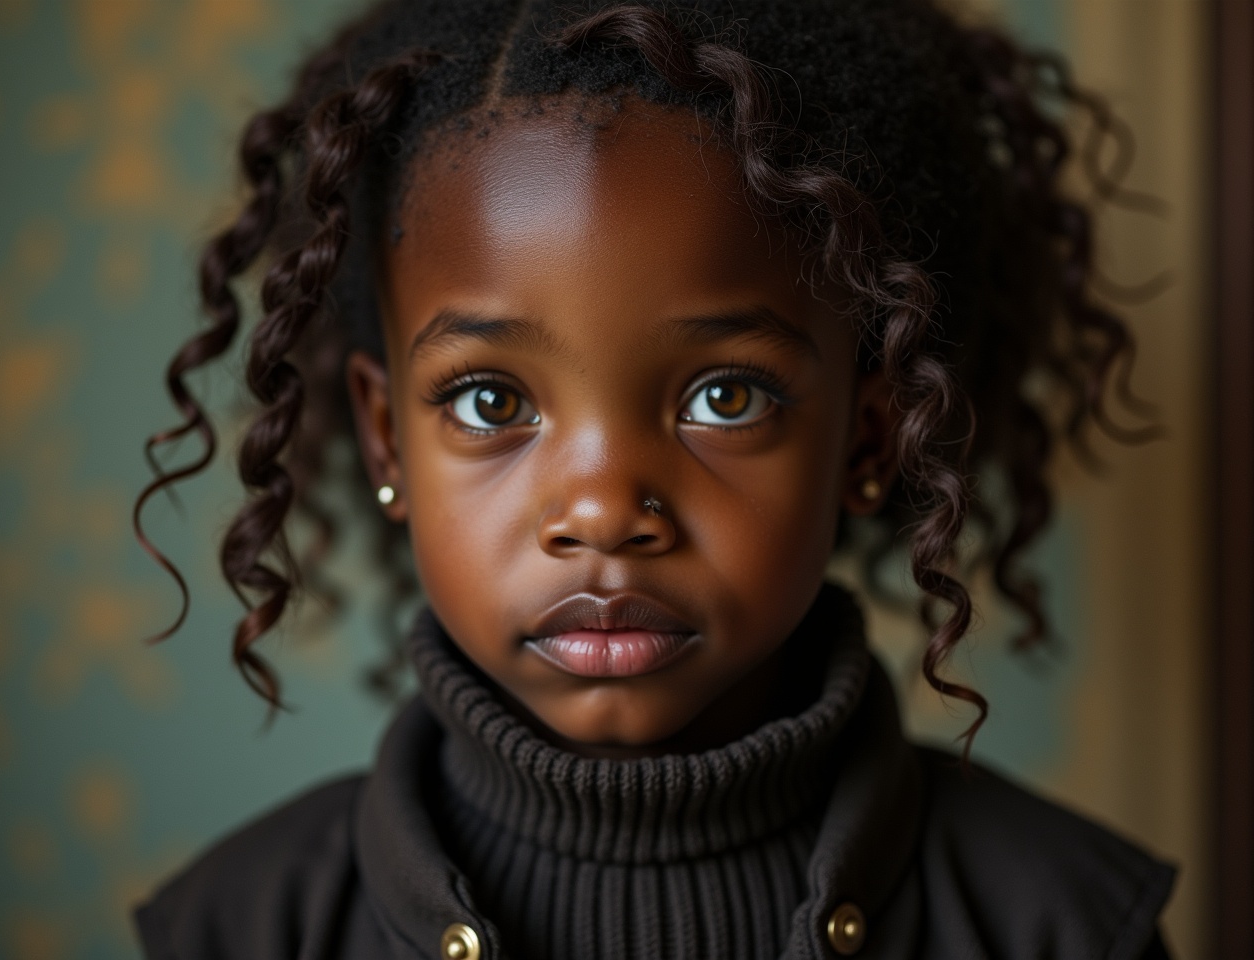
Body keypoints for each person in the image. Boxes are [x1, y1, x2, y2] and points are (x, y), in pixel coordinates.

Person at [131, 0, 1176, 957]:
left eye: (725, 398)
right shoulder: (237, 930)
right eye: (493, 403)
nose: (599, 513)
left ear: (867, 442)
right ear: (385, 440)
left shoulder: (1071, 925)